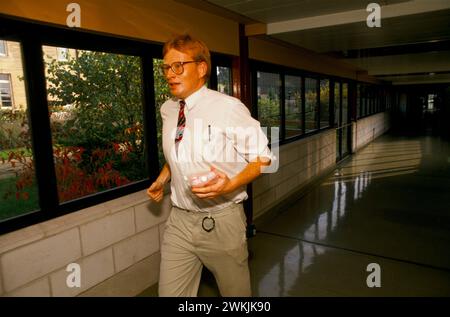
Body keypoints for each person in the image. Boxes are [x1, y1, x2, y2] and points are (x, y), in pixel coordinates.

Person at [147, 34, 273, 297]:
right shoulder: (169, 110)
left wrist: (231, 183)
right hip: (179, 221)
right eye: (166, 67)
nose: (170, 74)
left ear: (202, 68)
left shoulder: (228, 108)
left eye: (178, 66)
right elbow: (179, 152)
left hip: (222, 221)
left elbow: (266, 158)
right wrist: (162, 179)